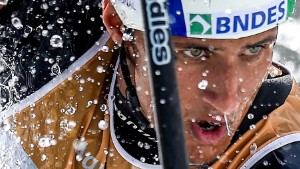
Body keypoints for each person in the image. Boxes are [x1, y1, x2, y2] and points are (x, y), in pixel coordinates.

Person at [0, 0, 300, 169]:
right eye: (195, 52)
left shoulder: (282, 151)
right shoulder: (46, 42)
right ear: (117, 24)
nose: (228, 100)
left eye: (254, 50)